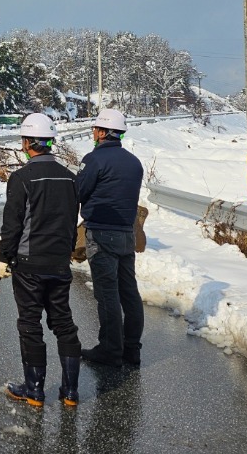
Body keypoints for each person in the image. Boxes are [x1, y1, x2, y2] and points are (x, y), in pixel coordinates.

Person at [0, 113, 83, 407]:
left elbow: (13, 226)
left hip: (29, 266)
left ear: (26, 143)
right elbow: (71, 223)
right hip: (59, 264)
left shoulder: (21, 178)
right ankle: (70, 392)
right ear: (49, 142)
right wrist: (66, 253)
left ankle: (34, 390)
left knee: (30, 324)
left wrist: (3, 258)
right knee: (64, 323)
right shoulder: (71, 179)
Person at [75, 108, 145, 367]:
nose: (93, 133)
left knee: (107, 295)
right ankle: (132, 349)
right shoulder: (134, 162)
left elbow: (79, 192)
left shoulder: (94, 160)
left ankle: (110, 351)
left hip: (101, 234)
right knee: (129, 293)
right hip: (127, 234)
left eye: (95, 129)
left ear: (103, 132)